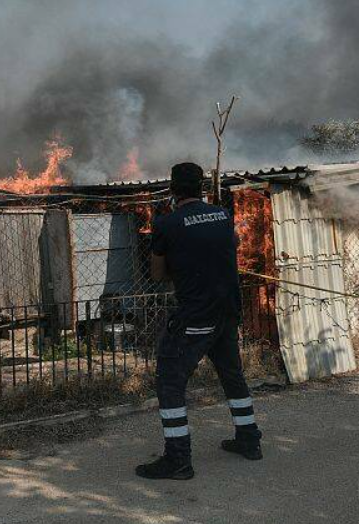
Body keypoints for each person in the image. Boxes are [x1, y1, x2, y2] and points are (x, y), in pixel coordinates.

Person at [135, 162, 263, 480]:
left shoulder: (167, 224)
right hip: (227, 311)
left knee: (170, 382)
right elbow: (230, 247)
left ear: (173, 190)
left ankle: (178, 459)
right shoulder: (222, 216)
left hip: (196, 315)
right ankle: (249, 440)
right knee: (232, 375)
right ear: (202, 187)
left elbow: (157, 274)